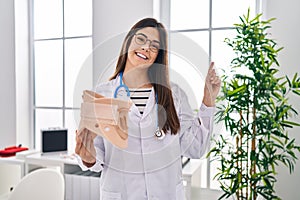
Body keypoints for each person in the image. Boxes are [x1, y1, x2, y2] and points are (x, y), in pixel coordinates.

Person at [75, 18, 221, 200]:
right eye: (141, 39)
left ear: (158, 55)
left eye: (154, 45)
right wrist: (87, 156)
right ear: (128, 42)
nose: (146, 48)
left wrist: (208, 99)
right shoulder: (101, 95)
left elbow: (195, 148)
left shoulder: (173, 95)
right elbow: (95, 158)